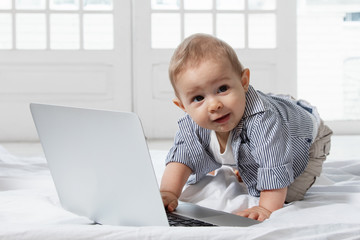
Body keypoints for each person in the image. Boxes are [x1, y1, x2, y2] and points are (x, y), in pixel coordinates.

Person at [160, 33, 332, 221]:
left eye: (222, 88)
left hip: (305, 139)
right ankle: (250, 164)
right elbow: (181, 159)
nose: (214, 104)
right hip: (272, 123)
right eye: (198, 98)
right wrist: (168, 192)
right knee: (254, 163)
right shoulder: (191, 125)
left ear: (243, 82)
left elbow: (274, 166)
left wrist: (266, 209)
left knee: (287, 194)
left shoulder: (262, 121)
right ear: (183, 106)